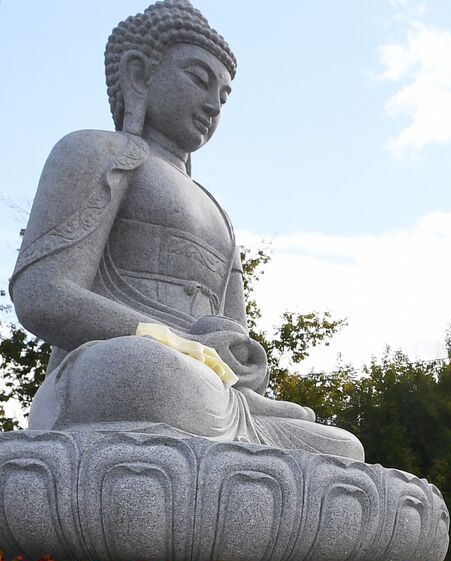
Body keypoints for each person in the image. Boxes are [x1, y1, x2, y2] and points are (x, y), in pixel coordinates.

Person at [9, 0, 362, 460]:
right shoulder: (96, 152)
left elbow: (232, 338)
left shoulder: (219, 213)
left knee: (341, 447)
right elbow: (43, 294)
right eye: (199, 79)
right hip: (114, 374)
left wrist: (239, 358)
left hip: (210, 395)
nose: (213, 103)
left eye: (224, 94)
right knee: (148, 371)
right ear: (139, 75)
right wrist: (182, 343)